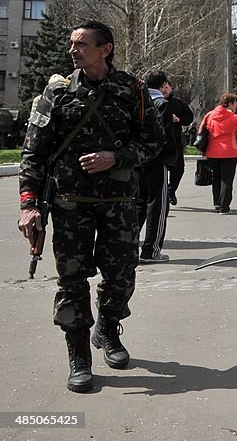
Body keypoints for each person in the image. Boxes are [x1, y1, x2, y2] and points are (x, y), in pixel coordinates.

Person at [17, 21, 164, 392]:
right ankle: (78, 355)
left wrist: (116, 157)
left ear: (106, 49)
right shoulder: (57, 92)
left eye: (81, 44)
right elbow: (34, 152)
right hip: (70, 204)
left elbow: (154, 143)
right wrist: (29, 204)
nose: (73, 50)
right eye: (71, 43)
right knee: (72, 281)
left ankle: (109, 330)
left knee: (121, 277)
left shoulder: (132, 91)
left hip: (119, 203)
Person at [136, 71, 178, 263]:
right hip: (156, 161)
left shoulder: (137, 101)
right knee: (158, 206)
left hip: (136, 160)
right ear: (162, 86)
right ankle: (151, 250)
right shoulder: (162, 104)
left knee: (138, 205)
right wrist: (171, 156)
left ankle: (128, 248)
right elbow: (165, 135)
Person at [199, 93, 237, 214]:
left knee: (216, 178)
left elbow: (201, 132)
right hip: (229, 152)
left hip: (212, 152)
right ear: (230, 103)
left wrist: (203, 149)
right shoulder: (235, 118)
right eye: (235, 103)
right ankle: (224, 207)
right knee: (227, 180)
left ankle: (217, 203)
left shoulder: (209, 115)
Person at [159, 75, 194, 206]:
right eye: (162, 87)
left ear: (171, 89)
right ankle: (159, 194)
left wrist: (178, 119)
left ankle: (170, 190)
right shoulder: (154, 102)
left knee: (178, 169)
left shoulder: (178, 103)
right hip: (159, 142)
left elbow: (189, 117)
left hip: (175, 140)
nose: (164, 90)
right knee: (159, 170)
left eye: (166, 87)